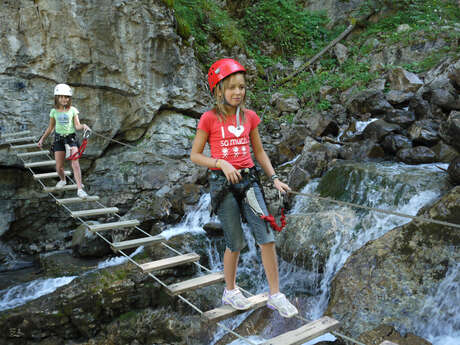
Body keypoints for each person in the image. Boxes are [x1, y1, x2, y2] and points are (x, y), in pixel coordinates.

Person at [190, 58, 298, 318]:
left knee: (266, 238)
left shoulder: (249, 117)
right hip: (222, 185)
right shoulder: (209, 119)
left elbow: (259, 152)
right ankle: (230, 289)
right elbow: (195, 155)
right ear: (218, 90)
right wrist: (221, 163)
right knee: (235, 242)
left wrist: (274, 179)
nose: (238, 92)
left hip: (249, 181)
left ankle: (275, 295)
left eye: (241, 87)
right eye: (231, 88)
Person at [38, 84, 90, 199]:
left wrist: (84, 126)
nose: (64, 99)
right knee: (59, 167)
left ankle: (80, 189)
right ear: (57, 98)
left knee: (75, 164)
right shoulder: (54, 112)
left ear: (69, 98)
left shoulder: (73, 110)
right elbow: (50, 128)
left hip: (71, 139)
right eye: (61, 97)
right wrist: (42, 139)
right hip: (59, 140)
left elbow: (77, 126)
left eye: (66, 97)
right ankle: (63, 179)